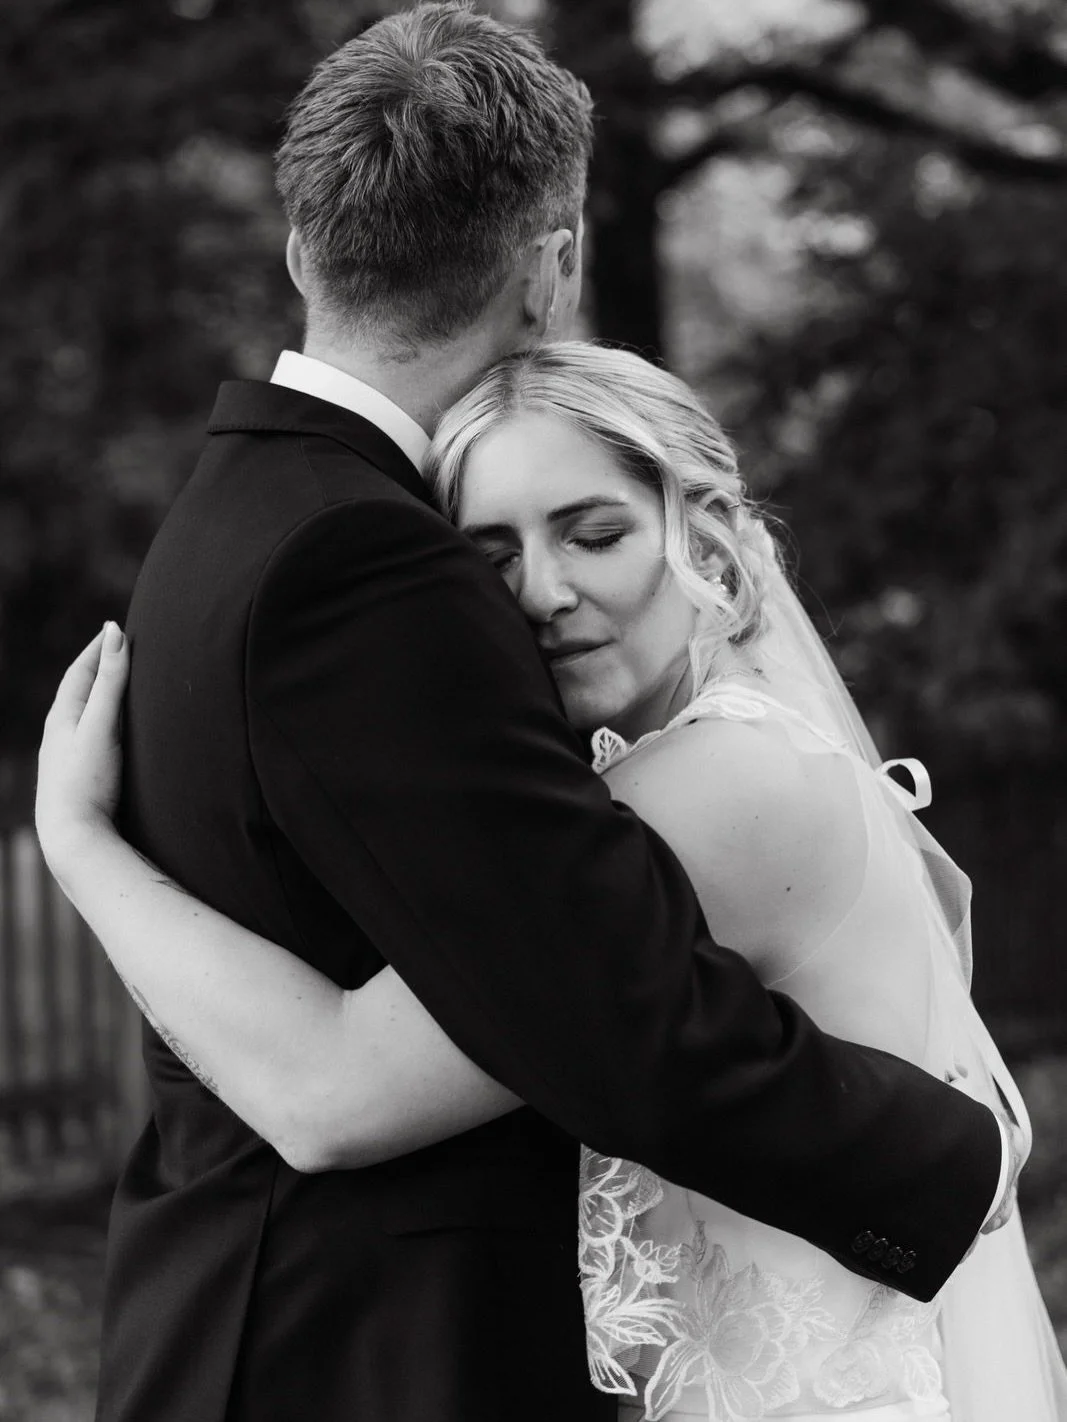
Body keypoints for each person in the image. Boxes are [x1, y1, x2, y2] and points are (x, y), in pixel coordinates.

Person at [34, 7, 1020, 1421]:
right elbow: (567, 1030)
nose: (535, 594)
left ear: (303, 244)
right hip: (346, 1355)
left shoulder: (235, 516)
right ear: (551, 265)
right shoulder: (360, 559)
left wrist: (82, 850)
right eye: (498, 552)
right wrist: (954, 1160)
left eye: (590, 532)